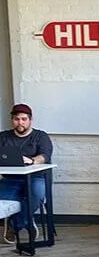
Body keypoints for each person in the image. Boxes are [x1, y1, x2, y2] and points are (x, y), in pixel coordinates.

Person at [0, 104, 53, 243]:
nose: (20, 122)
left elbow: (45, 156)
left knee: (36, 195)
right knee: (3, 201)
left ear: (30, 120)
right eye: (16, 119)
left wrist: (31, 160)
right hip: (11, 179)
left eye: (24, 119)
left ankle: (14, 225)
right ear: (12, 120)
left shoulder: (40, 136)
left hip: (37, 177)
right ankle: (28, 221)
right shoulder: (3, 137)